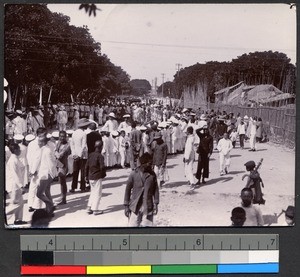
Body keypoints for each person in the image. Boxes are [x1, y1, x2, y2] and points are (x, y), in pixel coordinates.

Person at [124, 152, 159, 227]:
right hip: (135, 206)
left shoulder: (152, 175)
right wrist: (126, 206)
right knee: (132, 226)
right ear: (143, 163)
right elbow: (127, 190)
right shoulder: (133, 174)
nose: (151, 165)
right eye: (150, 163)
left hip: (148, 206)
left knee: (147, 227)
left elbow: (156, 190)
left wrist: (156, 203)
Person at [5, 142, 27, 225]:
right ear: (15, 150)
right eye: (19, 149)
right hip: (14, 186)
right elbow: (15, 175)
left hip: (16, 185)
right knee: (15, 204)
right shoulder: (13, 160)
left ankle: (18, 220)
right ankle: (5, 216)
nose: (20, 150)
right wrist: (21, 186)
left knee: (20, 204)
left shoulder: (16, 158)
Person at [36, 135, 57, 216]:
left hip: (46, 175)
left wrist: (52, 175)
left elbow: (51, 163)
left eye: (39, 142)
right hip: (43, 173)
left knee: (39, 193)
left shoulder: (47, 151)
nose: (38, 143)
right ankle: (49, 210)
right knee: (47, 192)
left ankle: (50, 205)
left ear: (43, 142)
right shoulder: (43, 149)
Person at [85, 140, 106, 215]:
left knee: (93, 192)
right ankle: (95, 209)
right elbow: (102, 167)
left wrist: (86, 176)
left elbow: (86, 166)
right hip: (97, 176)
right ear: (101, 147)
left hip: (90, 176)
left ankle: (89, 207)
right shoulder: (100, 156)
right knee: (98, 193)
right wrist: (103, 175)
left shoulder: (90, 155)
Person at [70, 118, 90, 193]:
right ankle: (82, 187)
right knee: (83, 171)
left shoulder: (74, 133)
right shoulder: (83, 134)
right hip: (82, 155)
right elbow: (83, 145)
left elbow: (72, 144)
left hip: (75, 154)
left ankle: (73, 187)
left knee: (75, 171)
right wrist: (80, 155)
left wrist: (74, 154)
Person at [54, 130, 71, 205]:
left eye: (63, 136)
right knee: (61, 182)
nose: (62, 138)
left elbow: (60, 155)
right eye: (60, 136)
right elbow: (55, 151)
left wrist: (56, 153)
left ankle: (64, 199)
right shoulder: (58, 143)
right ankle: (62, 197)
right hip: (58, 164)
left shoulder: (67, 145)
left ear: (66, 137)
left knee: (63, 182)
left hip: (63, 165)